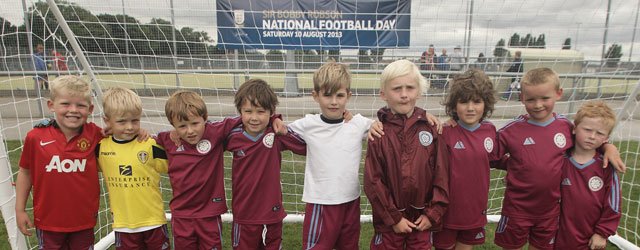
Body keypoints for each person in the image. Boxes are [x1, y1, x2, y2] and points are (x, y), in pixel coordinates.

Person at [493, 68, 624, 250]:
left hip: (550, 213)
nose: (538, 105)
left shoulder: (564, 126)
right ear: (522, 98)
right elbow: (490, 155)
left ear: (558, 94)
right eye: (531, 99)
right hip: (517, 209)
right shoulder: (511, 130)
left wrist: (608, 146)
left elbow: (587, 138)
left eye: (545, 98)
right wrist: (514, 165)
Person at [286, 62, 374, 249]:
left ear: (348, 96)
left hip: (351, 200)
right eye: (327, 95)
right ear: (315, 96)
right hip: (321, 202)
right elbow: (278, 131)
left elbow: (388, 125)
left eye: (340, 95)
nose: (334, 101)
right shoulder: (307, 124)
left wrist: (426, 117)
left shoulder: (358, 123)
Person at [364, 59, 449, 249]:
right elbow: (373, 182)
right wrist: (394, 219)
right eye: (397, 89)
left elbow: (441, 175)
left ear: (418, 92)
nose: (404, 95)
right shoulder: (378, 133)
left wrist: (432, 214)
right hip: (389, 225)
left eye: (410, 88)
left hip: (422, 221)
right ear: (383, 94)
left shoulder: (432, 129)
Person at [15, 75, 104, 249]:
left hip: (83, 221)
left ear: (90, 108)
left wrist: (140, 133)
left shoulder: (96, 134)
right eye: (65, 104)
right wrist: (20, 210)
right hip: (48, 222)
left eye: (80, 105)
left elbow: (123, 134)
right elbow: (25, 172)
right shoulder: (35, 137)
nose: (73, 110)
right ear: (51, 105)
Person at [154, 90, 242, 249]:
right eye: (182, 126)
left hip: (209, 214)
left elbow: (246, 118)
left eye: (195, 123)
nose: (190, 131)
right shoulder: (167, 140)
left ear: (205, 118)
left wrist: (274, 118)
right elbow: (145, 140)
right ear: (173, 125)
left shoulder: (215, 132)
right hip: (182, 215)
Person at [226, 79, 306, 249]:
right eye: (248, 111)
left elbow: (304, 146)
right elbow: (207, 135)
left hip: (272, 212)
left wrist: (281, 125)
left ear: (271, 112)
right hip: (244, 213)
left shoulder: (276, 133)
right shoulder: (232, 136)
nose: (254, 118)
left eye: (261, 111)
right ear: (240, 111)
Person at [432, 69, 499, 250]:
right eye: (464, 102)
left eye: (477, 101)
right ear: (454, 106)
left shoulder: (490, 131)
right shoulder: (444, 132)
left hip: (474, 211)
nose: (470, 108)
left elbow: (496, 159)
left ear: (486, 104)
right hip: (447, 212)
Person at [97, 87, 170, 249]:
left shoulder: (149, 144)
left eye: (135, 121)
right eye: (122, 122)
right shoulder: (101, 148)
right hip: (123, 224)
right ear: (107, 121)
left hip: (154, 221)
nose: (129, 127)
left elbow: (175, 164)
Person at [554, 101, 621, 249]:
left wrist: (602, 233)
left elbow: (613, 204)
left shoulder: (606, 166)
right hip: (556, 232)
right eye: (587, 130)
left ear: (606, 138)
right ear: (575, 128)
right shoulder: (560, 160)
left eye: (600, 133)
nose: (592, 136)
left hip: (589, 237)